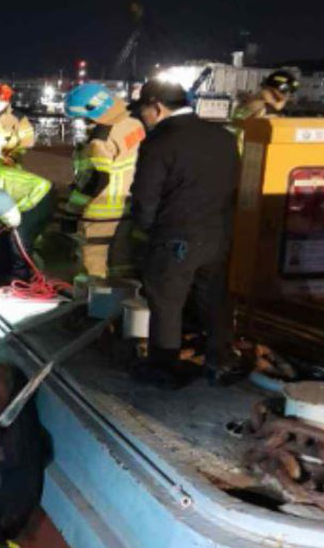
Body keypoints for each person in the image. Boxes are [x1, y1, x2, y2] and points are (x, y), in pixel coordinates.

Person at [128, 79, 240, 385]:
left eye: (143, 111)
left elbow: (145, 197)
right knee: (214, 300)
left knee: (166, 302)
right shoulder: (224, 137)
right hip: (218, 235)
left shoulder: (161, 141)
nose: (143, 118)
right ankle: (220, 361)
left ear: (157, 107)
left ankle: (164, 367)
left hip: (175, 236)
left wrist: (146, 230)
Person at [60, 83, 146, 278]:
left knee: (93, 262)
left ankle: (93, 302)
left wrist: (72, 212)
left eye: (81, 117)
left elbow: (97, 179)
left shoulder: (100, 140)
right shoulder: (134, 124)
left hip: (102, 210)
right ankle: (120, 297)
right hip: (128, 204)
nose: (81, 122)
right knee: (120, 259)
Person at [228, 70, 299, 147]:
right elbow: (277, 107)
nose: (286, 95)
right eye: (285, 91)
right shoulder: (263, 98)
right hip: (242, 136)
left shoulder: (259, 101)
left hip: (243, 134)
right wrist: (285, 99)